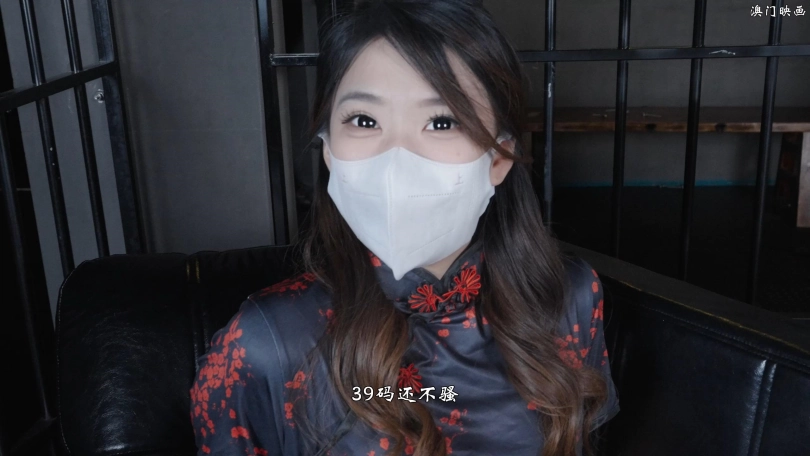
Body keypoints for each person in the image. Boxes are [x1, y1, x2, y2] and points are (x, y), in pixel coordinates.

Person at [189, 1, 619, 455]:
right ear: (329, 152)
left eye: (442, 122)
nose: (396, 160)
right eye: (364, 121)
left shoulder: (568, 297)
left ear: (498, 158)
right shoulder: (266, 343)